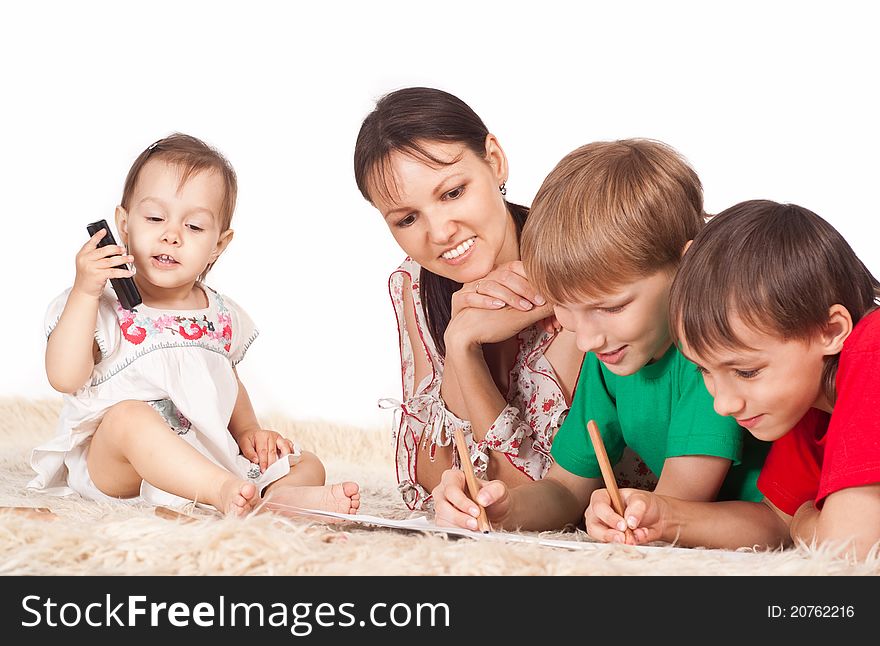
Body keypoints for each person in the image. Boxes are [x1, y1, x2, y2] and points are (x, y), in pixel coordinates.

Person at [433, 140, 769, 532]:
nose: (587, 340)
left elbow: (674, 507)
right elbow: (565, 489)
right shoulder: (608, 359)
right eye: (563, 305)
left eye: (611, 308)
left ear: (686, 266)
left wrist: (627, 515)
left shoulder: (711, 361)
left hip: (772, 522)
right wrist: (503, 508)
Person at [354, 88, 655, 510]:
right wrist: (461, 342)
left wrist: (468, 355)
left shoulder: (579, 287)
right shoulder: (416, 284)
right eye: (406, 218)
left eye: (453, 192)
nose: (440, 233)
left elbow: (543, 491)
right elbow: (430, 475)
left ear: (494, 161)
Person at [32, 133, 360, 517]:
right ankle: (220, 490)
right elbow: (65, 377)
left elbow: (226, 378)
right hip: (119, 466)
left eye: (194, 227)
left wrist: (249, 431)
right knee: (129, 416)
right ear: (123, 224)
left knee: (307, 464)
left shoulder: (220, 313)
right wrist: (85, 292)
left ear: (218, 245)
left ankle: (270, 503)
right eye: (155, 218)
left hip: (201, 453)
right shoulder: (100, 304)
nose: (171, 235)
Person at [591, 200, 880, 560]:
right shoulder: (809, 400)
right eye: (705, 371)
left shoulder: (873, 352)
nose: (723, 404)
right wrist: (662, 514)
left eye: (746, 372)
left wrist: (805, 519)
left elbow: (849, 546)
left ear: (831, 330)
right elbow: (774, 519)